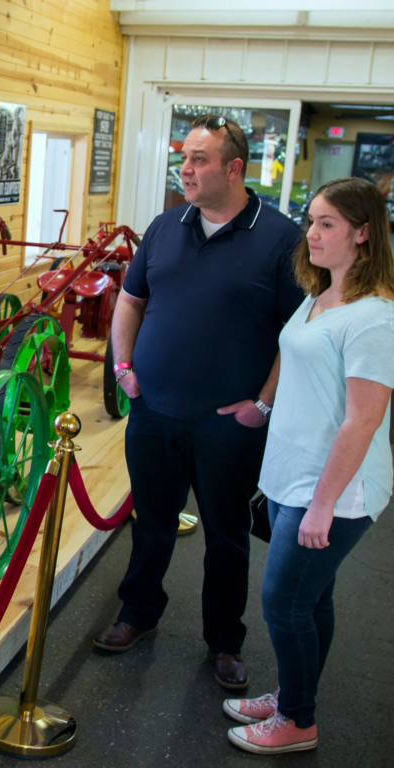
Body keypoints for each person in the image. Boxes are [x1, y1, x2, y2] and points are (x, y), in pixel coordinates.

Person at [92, 115, 305, 692]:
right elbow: (131, 301)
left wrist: (262, 405)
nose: (185, 168)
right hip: (155, 412)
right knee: (152, 523)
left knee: (226, 535)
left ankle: (224, 642)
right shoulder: (165, 226)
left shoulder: (282, 238)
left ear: (234, 168)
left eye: (199, 159)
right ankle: (138, 612)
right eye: (183, 157)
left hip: (228, 425)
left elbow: (296, 332)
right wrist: (125, 367)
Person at [225, 177, 394, 754]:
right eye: (310, 220)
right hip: (292, 476)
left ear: (364, 233)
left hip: (334, 491)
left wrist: (322, 505)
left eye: (327, 224)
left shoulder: (375, 318)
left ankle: (297, 721)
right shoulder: (320, 295)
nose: (312, 233)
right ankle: (296, 695)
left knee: (284, 602)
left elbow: (363, 421)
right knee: (311, 600)